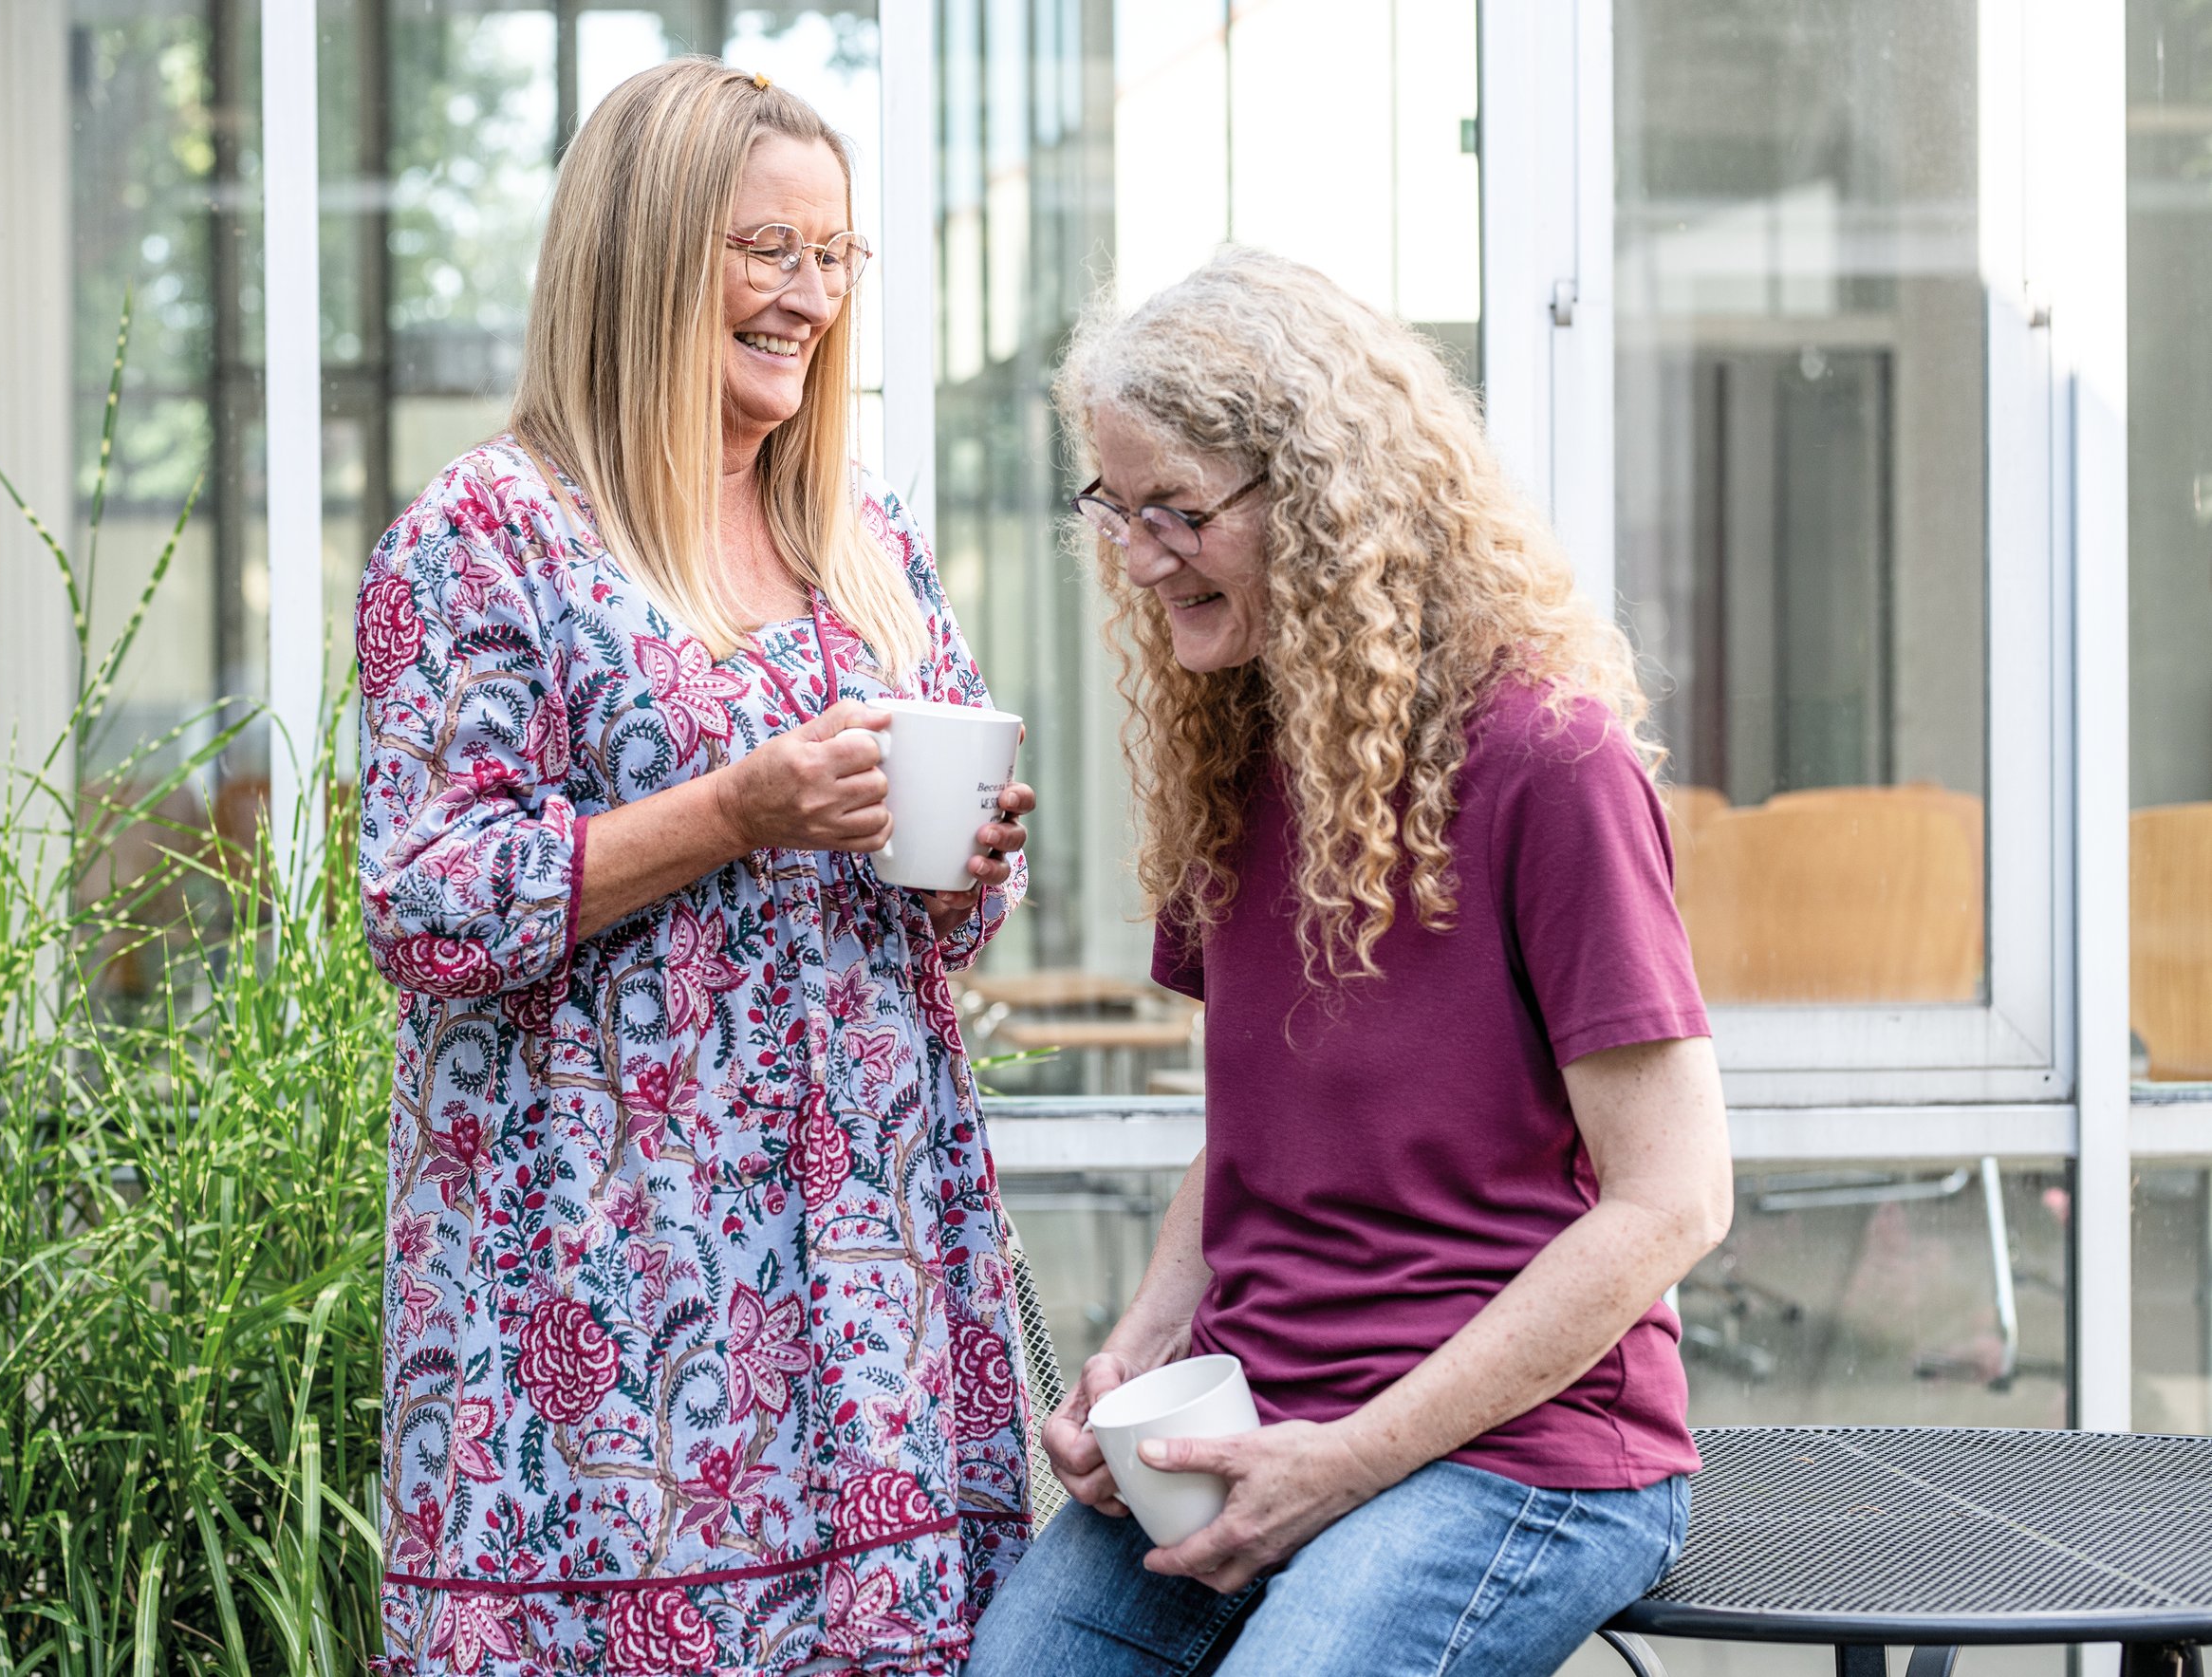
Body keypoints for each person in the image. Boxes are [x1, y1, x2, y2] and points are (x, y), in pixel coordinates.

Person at [357, 59, 1038, 1676]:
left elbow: (936, 919)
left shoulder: (855, 536)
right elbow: (430, 905)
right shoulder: (482, 540)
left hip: (865, 1251)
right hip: (608, 1273)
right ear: (648, 254)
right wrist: (736, 809)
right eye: (765, 251)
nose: (808, 297)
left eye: (835, 255)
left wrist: (964, 871)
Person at [966, 248, 1734, 1677]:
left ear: (1320, 503)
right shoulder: (1240, 759)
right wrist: (1136, 1350)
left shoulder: (1546, 758)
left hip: (1526, 1454)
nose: (1137, 559)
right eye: (1116, 510)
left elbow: (1674, 1199)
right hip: (1258, 1426)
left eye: (1178, 512)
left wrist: (1351, 1461)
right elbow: (1259, 1145)